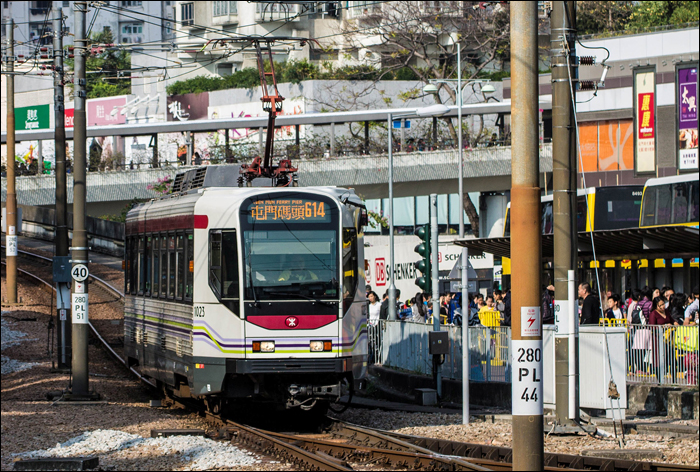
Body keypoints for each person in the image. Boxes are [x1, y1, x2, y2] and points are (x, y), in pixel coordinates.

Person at [648, 296, 674, 380]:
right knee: (658, 359)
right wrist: (663, 326)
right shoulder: (653, 314)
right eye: (660, 305)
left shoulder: (666, 311)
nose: (663, 307)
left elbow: (672, 320)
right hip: (658, 339)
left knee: (671, 357)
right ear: (656, 306)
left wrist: (675, 323)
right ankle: (660, 380)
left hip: (669, 339)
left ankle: (674, 379)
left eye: (663, 304)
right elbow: (652, 327)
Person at [627, 289, 649, 374]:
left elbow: (629, 318)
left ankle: (636, 368)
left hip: (634, 329)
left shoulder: (631, 305)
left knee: (635, 349)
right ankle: (635, 368)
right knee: (636, 350)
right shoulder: (636, 305)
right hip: (636, 329)